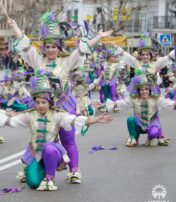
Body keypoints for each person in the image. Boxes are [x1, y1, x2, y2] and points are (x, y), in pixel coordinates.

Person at [8, 13, 113, 183]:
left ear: (59, 47)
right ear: (44, 47)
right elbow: (26, 47)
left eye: (54, 47)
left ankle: (74, 170)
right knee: (39, 135)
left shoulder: (66, 62)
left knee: (67, 139)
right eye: (47, 46)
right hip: (42, 106)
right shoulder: (38, 61)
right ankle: (31, 165)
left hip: (64, 105)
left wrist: (98, 37)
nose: (50, 50)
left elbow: (81, 51)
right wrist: (14, 27)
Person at [4, 74, 113, 191]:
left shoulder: (57, 114)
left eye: (43, 102)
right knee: (33, 183)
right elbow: (12, 121)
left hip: (53, 152)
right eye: (38, 102)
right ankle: (34, 169)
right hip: (36, 153)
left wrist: (93, 120)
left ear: (50, 103)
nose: (40, 105)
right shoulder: (30, 114)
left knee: (51, 147)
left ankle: (51, 178)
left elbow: (73, 120)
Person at [100, 74, 175, 147]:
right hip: (139, 124)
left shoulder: (155, 98)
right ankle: (133, 138)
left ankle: (150, 138)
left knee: (153, 133)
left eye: (146, 89)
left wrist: (174, 104)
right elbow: (124, 103)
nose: (144, 92)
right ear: (139, 91)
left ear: (149, 90)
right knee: (130, 119)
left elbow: (165, 103)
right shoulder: (134, 99)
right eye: (142, 90)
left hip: (151, 124)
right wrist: (108, 105)